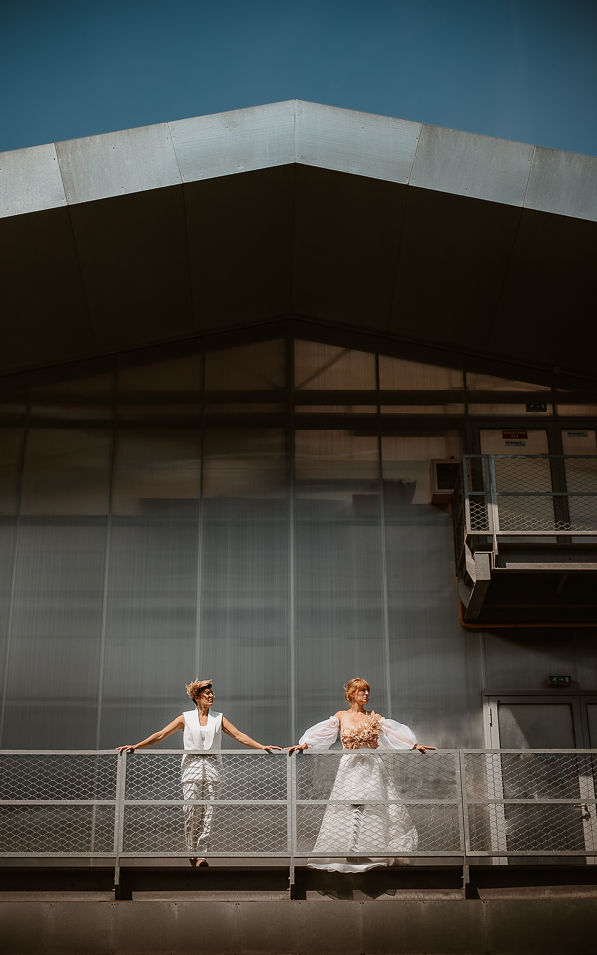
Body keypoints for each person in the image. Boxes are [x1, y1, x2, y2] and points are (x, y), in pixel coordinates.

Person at [117, 679, 281, 866]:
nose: (211, 696)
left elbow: (238, 735)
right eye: (206, 694)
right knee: (191, 810)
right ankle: (191, 851)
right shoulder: (185, 718)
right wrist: (136, 746)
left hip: (213, 768)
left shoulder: (218, 718)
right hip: (191, 767)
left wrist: (261, 747)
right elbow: (161, 735)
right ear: (196, 698)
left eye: (212, 693)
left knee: (209, 811)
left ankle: (202, 854)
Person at [287, 677, 435, 873]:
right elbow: (322, 733)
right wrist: (305, 744)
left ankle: (373, 851)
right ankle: (349, 851)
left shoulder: (373, 717)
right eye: (361, 691)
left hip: (372, 767)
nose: (366, 694)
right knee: (349, 805)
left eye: (367, 691)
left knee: (372, 806)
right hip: (350, 767)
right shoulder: (341, 716)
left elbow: (394, 733)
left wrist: (414, 745)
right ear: (351, 694)